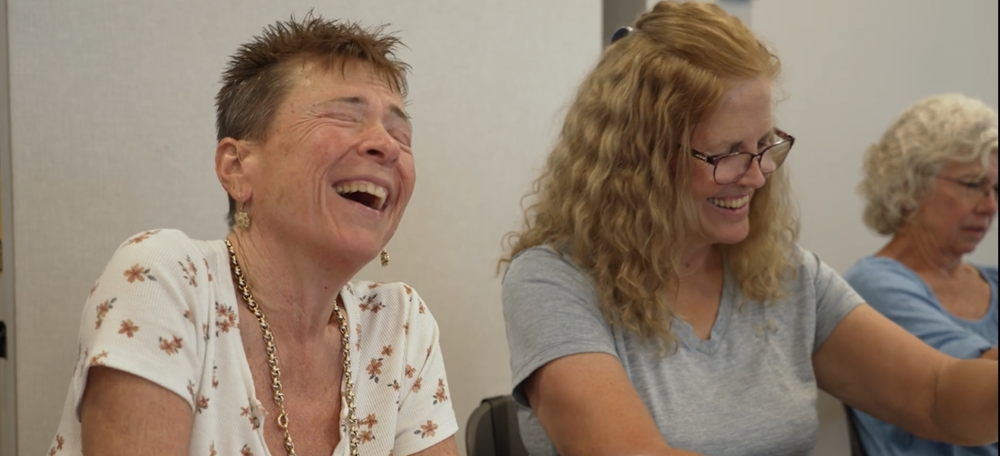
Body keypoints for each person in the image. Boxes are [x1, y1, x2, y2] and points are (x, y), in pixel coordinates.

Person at [500, 2, 999, 455]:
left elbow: (936, 395)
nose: (758, 174)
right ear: (640, 160)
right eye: (726, 153)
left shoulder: (787, 276)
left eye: (765, 144)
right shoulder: (552, 282)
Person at [48, 14, 459, 456]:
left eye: (401, 133)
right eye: (345, 116)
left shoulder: (399, 324)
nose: (387, 145)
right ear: (237, 168)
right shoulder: (164, 280)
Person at [844, 93, 998, 456]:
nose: (990, 206)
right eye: (973, 184)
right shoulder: (876, 284)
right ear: (911, 185)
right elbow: (970, 383)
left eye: (996, 189)